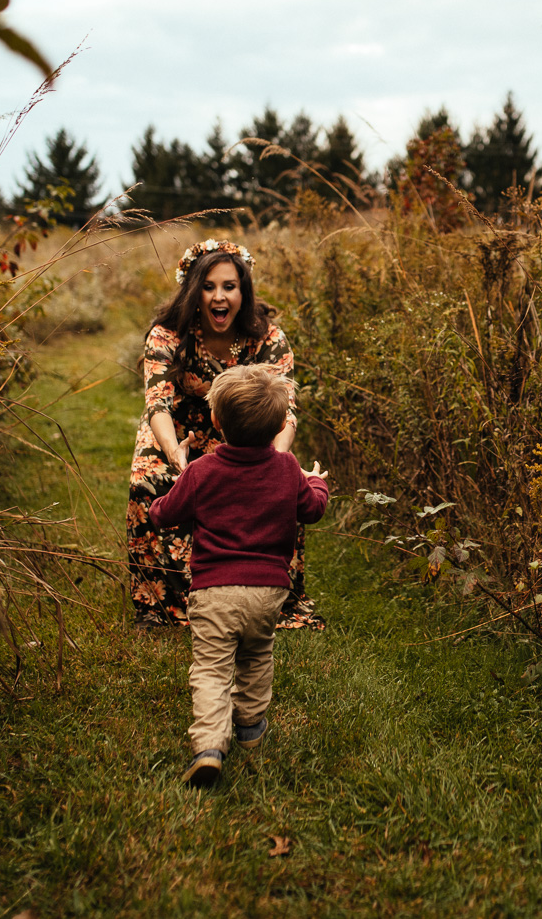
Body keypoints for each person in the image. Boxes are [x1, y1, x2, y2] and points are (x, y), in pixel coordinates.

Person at [126, 238, 324, 629]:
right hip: (177, 432)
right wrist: (174, 454)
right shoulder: (167, 335)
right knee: (146, 481)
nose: (219, 297)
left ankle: (273, 594)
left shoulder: (268, 339)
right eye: (209, 286)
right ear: (193, 290)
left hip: (244, 432)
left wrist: (282, 462)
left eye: (229, 286)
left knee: (284, 483)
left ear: (243, 290)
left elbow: (285, 410)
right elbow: (157, 404)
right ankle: (160, 603)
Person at [149, 364, 330, 786]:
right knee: (255, 655)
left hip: (214, 592)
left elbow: (166, 514)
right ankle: (249, 729)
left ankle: (210, 746)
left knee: (212, 669)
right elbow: (313, 509)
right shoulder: (287, 469)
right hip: (268, 593)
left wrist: (161, 500)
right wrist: (317, 482)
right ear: (279, 425)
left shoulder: (201, 472)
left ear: (216, 420)